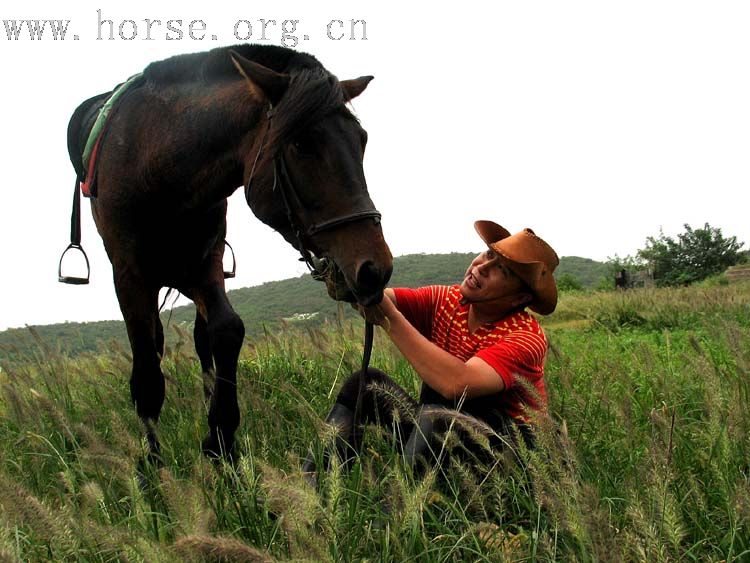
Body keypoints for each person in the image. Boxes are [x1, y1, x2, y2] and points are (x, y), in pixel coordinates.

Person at [302, 220, 559, 481]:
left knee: (439, 411)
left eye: (501, 270)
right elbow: (381, 300)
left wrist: (388, 317)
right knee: (364, 385)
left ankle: (398, 513)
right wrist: (350, 280)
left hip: (510, 460)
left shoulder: (525, 337)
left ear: (520, 298)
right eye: (488, 255)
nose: (482, 267)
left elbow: (456, 383)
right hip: (442, 434)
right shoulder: (446, 299)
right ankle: (310, 486)